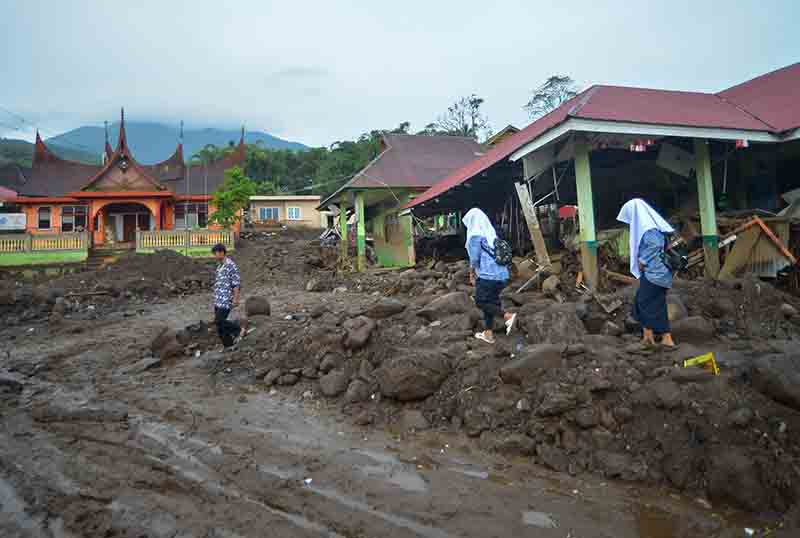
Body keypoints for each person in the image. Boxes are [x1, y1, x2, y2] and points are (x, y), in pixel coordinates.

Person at [616, 198, 676, 348]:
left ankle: (659, 338)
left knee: (644, 303)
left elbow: (655, 244)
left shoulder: (648, 228)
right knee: (649, 303)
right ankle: (653, 336)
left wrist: (642, 261)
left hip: (655, 274)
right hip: (658, 274)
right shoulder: (650, 225)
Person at [463, 208, 517, 344]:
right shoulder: (491, 234)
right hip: (502, 276)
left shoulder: (475, 236)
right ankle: (488, 333)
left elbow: (474, 259)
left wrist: (471, 273)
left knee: (480, 301)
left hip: (487, 276)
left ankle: (507, 316)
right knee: (490, 303)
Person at [212, 243, 247, 348]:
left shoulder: (230, 265)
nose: (215, 256)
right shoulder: (219, 266)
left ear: (222, 252)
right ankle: (228, 346)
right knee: (219, 326)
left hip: (226, 299)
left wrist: (236, 299)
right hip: (218, 300)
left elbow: (236, 283)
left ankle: (239, 330)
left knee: (219, 320)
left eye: (216, 253)